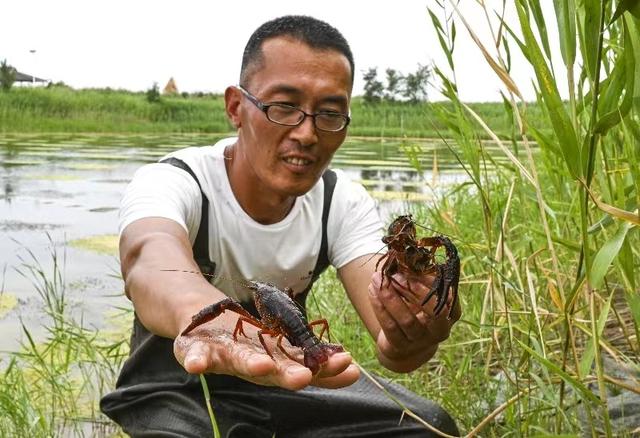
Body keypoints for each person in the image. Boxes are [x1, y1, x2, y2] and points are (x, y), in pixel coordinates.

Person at [101, 15, 461, 438]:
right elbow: (150, 261)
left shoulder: (340, 200)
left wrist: (413, 328)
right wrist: (204, 318)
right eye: (284, 107)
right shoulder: (175, 180)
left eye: (330, 114)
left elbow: (393, 345)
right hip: (178, 383)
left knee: (431, 427)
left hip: (291, 368)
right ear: (236, 107)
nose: (307, 133)